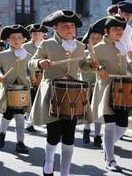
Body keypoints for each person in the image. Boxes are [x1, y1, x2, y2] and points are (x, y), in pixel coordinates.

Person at [28, 10, 91, 176]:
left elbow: (83, 65)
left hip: (73, 93)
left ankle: (65, 172)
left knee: (69, 136)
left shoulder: (79, 46)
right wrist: (40, 63)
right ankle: (48, 161)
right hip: (52, 92)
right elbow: (31, 63)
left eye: (72, 26)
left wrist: (94, 65)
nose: (70, 29)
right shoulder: (47, 44)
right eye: (65, 26)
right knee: (54, 134)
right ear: (55, 27)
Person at [91, 15, 132, 172]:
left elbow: (126, 65)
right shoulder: (98, 47)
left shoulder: (123, 45)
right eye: (115, 29)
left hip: (122, 90)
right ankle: (110, 159)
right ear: (107, 31)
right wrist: (99, 69)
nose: (119, 31)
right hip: (106, 90)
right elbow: (85, 64)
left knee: (123, 127)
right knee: (110, 125)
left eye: (121, 29)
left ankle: (107, 145)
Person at [0, 25, 31, 154]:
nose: (16, 40)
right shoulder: (3, 55)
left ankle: (20, 142)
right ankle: (1, 133)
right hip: (8, 88)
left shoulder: (28, 55)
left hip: (22, 89)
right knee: (7, 115)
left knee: (20, 116)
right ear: (8, 40)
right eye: (13, 38)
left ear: (23, 39)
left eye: (19, 37)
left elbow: (30, 70)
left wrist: (33, 77)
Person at [80, 19, 104, 147]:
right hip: (86, 85)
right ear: (88, 40)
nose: (95, 40)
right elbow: (82, 67)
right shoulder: (84, 53)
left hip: (99, 85)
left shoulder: (104, 54)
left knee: (98, 111)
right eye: (93, 38)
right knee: (87, 109)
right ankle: (86, 129)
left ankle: (97, 135)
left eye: (98, 38)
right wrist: (94, 64)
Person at [23, 23, 48, 133]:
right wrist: (30, 77)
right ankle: (29, 123)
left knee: (46, 99)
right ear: (30, 35)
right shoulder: (25, 46)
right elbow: (25, 63)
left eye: (39, 33)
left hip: (44, 75)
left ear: (43, 34)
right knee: (31, 100)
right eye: (34, 33)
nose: (36, 35)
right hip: (30, 75)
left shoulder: (47, 45)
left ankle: (46, 120)